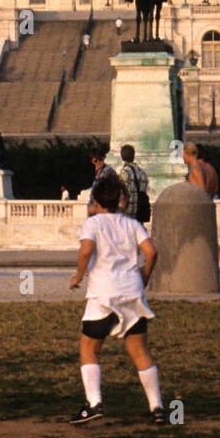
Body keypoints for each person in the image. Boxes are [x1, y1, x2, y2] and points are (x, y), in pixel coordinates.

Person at [67, 172, 164, 424]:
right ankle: (157, 407)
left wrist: (78, 276)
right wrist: (145, 277)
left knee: (89, 349)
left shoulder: (93, 223)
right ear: (121, 200)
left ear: (96, 202)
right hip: (131, 291)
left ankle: (94, 403)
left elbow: (86, 250)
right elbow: (151, 252)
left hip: (103, 292)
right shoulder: (133, 224)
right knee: (140, 351)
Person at [183, 142, 220, 273]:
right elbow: (214, 189)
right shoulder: (210, 168)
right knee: (209, 237)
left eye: (182, 155)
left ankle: (201, 266)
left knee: (191, 237)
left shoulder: (196, 169)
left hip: (198, 208)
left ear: (187, 154)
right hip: (209, 203)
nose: (182, 158)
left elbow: (201, 192)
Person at [117, 144, 149, 223]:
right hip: (140, 211)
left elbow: (122, 192)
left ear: (122, 156)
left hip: (128, 211)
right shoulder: (141, 172)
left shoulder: (124, 172)